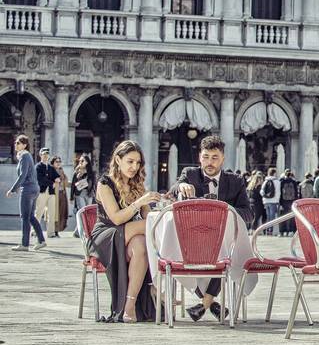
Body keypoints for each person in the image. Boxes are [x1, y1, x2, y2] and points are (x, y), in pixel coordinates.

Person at [174, 135, 252, 321]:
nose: (209, 162)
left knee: (227, 255)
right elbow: (176, 186)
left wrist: (225, 212)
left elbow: (249, 214)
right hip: (193, 239)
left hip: (223, 241)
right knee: (179, 252)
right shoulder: (190, 174)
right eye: (206, 157)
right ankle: (211, 303)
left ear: (223, 158)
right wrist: (181, 186)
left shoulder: (236, 181)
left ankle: (204, 304)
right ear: (199, 157)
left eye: (214, 157)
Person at [87, 140, 160, 322]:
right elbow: (117, 218)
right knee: (154, 226)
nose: (135, 167)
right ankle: (158, 285)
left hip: (128, 236)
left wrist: (156, 205)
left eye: (138, 163)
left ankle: (129, 306)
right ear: (118, 160)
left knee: (142, 244)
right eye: (130, 161)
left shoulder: (137, 185)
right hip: (106, 235)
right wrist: (140, 202)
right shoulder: (105, 184)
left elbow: (147, 217)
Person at [5, 134, 45, 251]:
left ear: (24, 145)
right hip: (32, 188)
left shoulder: (24, 156)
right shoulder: (26, 156)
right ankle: (41, 240)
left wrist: (13, 189)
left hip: (28, 189)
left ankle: (24, 244)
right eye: (15, 143)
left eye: (18, 143)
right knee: (30, 216)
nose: (15, 145)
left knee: (24, 217)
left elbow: (23, 175)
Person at [34, 147, 59, 237]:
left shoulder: (51, 167)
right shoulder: (38, 167)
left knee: (51, 213)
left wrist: (57, 179)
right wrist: (52, 182)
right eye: (44, 154)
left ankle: (51, 233)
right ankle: (34, 231)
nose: (45, 156)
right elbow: (40, 179)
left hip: (51, 193)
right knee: (39, 212)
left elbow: (57, 177)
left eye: (47, 154)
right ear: (40, 155)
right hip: (42, 193)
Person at [278, 169, 300, 236]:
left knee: (282, 216)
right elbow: (296, 193)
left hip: (283, 201)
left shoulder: (282, 182)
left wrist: (280, 203)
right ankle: (291, 231)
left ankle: (282, 232)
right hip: (292, 201)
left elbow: (280, 193)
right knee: (292, 216)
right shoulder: (294, 182)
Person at [51, 156, 69, 235]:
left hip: (62, 193)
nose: (58, 163)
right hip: (54, 194)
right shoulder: (51, 170)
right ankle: (55, 230)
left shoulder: (62, 171)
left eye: (59, 161)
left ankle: (58, 229)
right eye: (56, 162)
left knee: (62, 212)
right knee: (55, 213)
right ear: (53, 163)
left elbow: (65, 182)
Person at [260, 168, 281, 233]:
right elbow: (278, 192)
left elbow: (261, 191)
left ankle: (267, 229)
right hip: (274, 201)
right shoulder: (277, 181)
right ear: (274, 173)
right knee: (272, 216)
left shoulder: (265, 181)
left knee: (268, 215)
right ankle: (270, 230)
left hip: (266, 201)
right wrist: (277, 200)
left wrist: (265, 198)